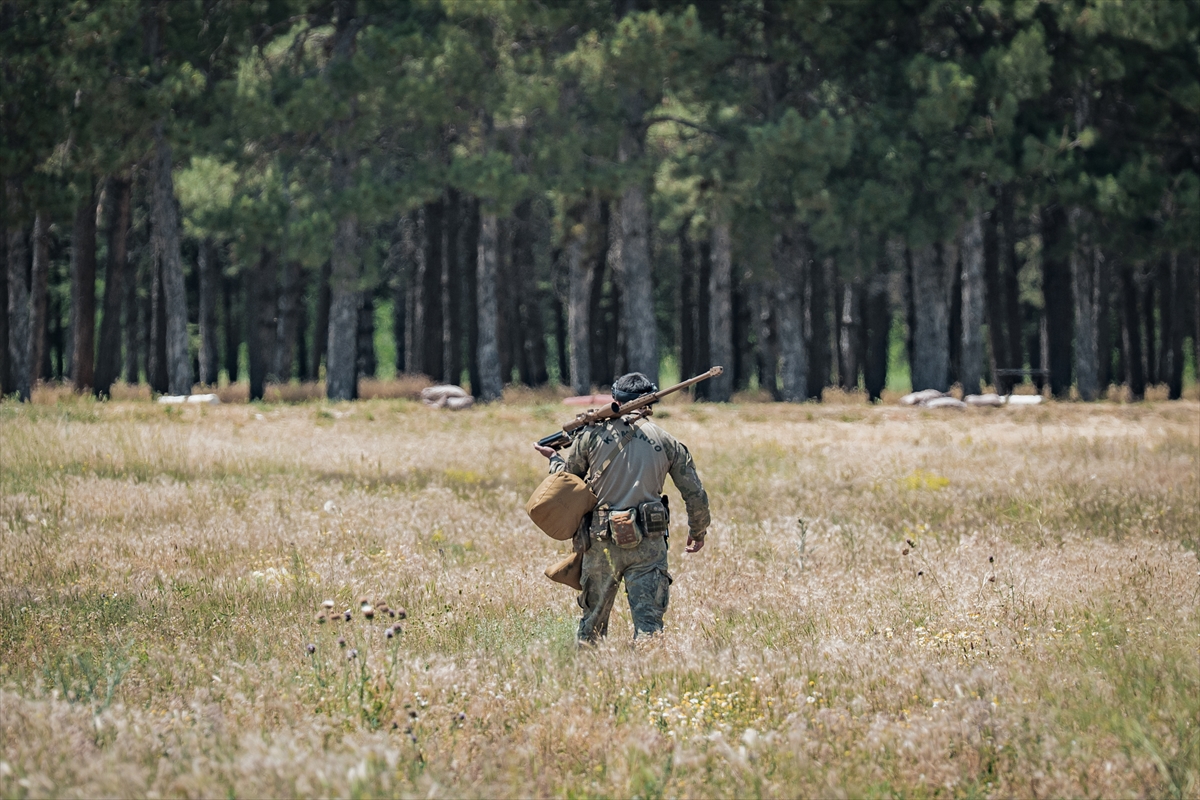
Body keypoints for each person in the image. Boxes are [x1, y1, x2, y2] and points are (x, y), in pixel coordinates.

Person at [533, 372, 710, 641]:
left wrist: (554, 459)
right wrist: (698, 532)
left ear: (615, 398)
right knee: (650, 629)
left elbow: (567, 481)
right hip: (649, 545)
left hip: (602, 543)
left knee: (591, 627)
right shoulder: (667, 440)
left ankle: (589, 678)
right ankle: (651, 676)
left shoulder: (590, 435)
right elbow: (695, 493)